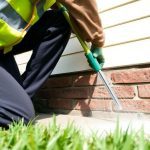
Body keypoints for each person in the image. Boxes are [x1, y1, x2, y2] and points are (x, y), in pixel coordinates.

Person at [0, 0, 105, 128]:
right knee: (19, 117)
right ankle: (14, 106)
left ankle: (21, 98)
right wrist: (97, 41)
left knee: (59, 21)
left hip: (3, 48)